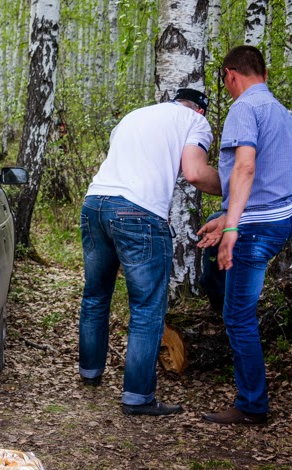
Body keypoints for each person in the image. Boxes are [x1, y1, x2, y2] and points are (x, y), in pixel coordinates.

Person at [79, 88, 221, 416]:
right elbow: (196, 172)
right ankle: (138, 397)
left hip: (95, 203)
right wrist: (235, 186)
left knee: (96, 294)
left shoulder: (134, 117)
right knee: (146, 307)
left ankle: (89, 372)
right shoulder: (194, 122)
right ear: (200, 111)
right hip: (138, 213)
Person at [197, 46, 292, 426]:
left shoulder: (244, 108)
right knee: (217, 275)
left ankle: (252, 405)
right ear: (265, 72)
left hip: (257, 228)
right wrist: (225, 214)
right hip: (280, 217)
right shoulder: (282, 111)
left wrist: (232, 227)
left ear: (230, 75)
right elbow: (272, 178)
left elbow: (245, 168)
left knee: (239, 316)